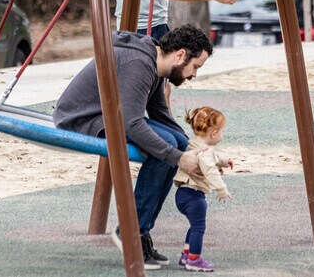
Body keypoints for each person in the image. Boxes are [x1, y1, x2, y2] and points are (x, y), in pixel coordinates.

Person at [53, 24, 214, 270]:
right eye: (196, 67)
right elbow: (131, 123)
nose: (194, 75)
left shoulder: (156, 64)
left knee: (177, 142)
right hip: (82, 118)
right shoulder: (139, 63)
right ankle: (131, 231)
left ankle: (141, 230)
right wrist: (179, 158)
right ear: (180, 55)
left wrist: (192, 148)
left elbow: (160, 114)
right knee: (167, 148)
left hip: (109, 115)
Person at [174, 106, 233, 272]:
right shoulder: (204, 151)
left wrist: (225, 160)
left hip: (183, 194)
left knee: (194, 225)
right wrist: (221, 189)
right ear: (213, 133)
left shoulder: (194, 144)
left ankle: (187, 254)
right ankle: (194, 259)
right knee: (199, 227)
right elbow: (210, 169)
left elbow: (214, 157)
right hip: (193, 196)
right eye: (221, 131)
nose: (222, 135)